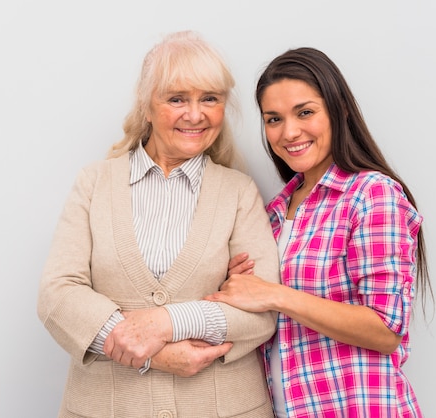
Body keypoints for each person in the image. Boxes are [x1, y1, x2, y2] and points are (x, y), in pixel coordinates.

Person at [37, 30, 280, 418]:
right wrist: (154, 354)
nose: (195, 114)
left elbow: (262, 311)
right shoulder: (94, 183)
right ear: (146, 107)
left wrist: (167, 322)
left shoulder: (239, 192)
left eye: (210, 99)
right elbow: (58, 294)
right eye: (177, 99)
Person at [205, 47, 433, 418]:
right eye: (273, 119)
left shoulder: (371, 195)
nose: (289, 132)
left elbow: (384, 329)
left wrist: (274, 295)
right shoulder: (274, 212)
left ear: (339, 110)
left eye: (305, 112)